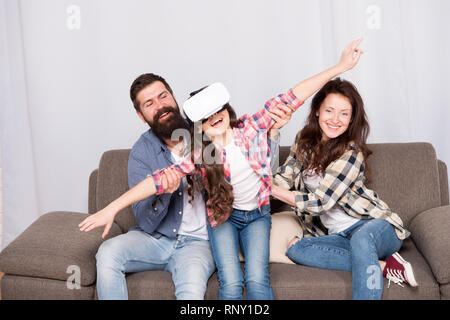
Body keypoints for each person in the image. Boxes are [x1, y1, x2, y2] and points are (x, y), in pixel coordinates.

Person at [79, 38, 364, 299]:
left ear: (227, 110)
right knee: (229, 283)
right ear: (199, 125)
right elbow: (153, 182)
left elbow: (293, 95)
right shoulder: (201, 153)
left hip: (256, 217)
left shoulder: (251, 128)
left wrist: (339, 66)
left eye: (218, 110)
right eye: (206, 116)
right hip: (222, 220)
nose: (214, 117)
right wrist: (111, 208)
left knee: (256, 280)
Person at [81, 73, 291, 300]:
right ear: (141, 115)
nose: (160, 106)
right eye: (149, 104)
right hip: (156, 240)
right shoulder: (142, 153)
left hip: (198, 244)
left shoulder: (207, 129)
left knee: (191, 294)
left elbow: (259, 166)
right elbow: (144, 219)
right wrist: (163, 195)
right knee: (108, 252)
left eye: (163, 96)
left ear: (173, 97)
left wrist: (273, 133)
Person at [271, 77, 418, 300]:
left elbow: (320, 203)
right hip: (339, 236)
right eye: (329, 110)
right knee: (295, 249)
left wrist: (268, 189)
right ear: (317, 110)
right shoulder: (304, 141)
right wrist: (272, 135)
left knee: (361, 239)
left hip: (375, 227)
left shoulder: (351, 153)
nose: (335, 120)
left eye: (344, 114)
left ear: (351, 119)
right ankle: (384, 266)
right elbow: (283, 177)